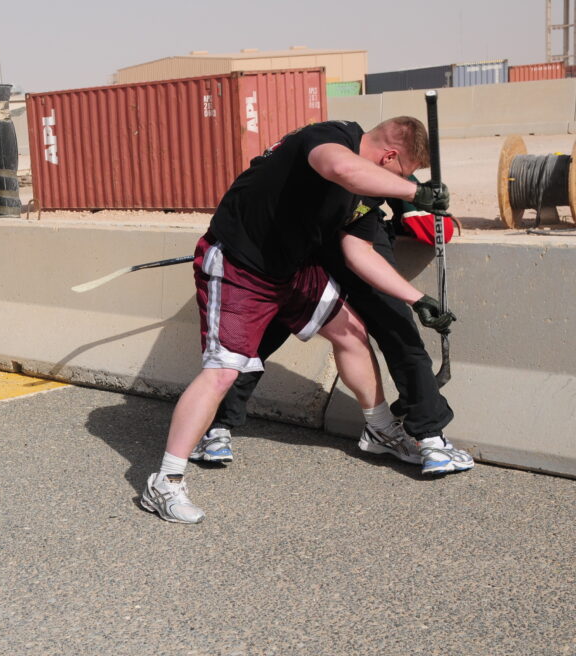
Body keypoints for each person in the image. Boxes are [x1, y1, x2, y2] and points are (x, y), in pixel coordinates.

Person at [140, 117, 457, 524]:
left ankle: (379, 431)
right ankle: (164, 482)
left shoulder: (361, 201)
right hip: (240, 266)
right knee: (223, 371)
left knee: (351, 333)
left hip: (290, 272)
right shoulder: (330, 138)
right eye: (400, 172)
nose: (398, 182)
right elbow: (340, 168)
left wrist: (417, 299)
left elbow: (360, 254)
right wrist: (416, 192)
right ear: (389, 155)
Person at [189, 191, 473, 476]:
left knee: (280, 334)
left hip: (318, 236)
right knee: (395, 329)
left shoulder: (306, 150)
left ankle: (216, 426)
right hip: (323, 238)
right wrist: (424, 210)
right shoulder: (367, 159)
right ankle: (429, 438)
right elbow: (424, 223)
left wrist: (422, 209)